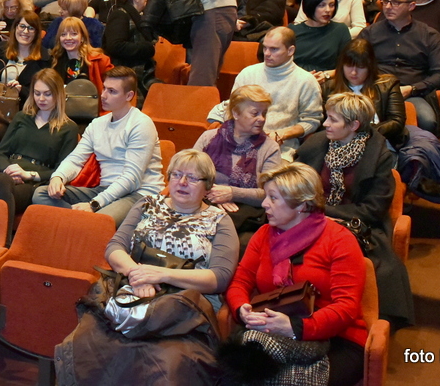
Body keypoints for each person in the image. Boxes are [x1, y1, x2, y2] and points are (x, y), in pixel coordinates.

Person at [61, 148, 238, 383]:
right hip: (133, 291)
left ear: (208, 187)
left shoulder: (219, 220)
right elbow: (114, 248)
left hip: (187, 306)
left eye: (193, 178)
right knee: (86, 342)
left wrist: (158, 275)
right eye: (176, 175)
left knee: (167, 362)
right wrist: (138, 275)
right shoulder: (147, 204)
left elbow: (219, 277)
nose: (182, 182)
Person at [225, 162, 369, 386]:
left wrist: (296, 327)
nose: (264, 204)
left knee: (262, 375)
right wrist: (241, 309)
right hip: (273, 328)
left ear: (302, 204)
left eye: (273, 198)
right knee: (249, 365)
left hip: (338, 338)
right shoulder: (264, 234)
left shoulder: (339, 240)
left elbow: (347, 307)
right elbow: (240, 281)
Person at [297, 92, 414, 328]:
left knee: (379, 269)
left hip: (356, 224)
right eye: (326, 118)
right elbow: (297, 186)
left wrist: (324, 211)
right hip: (308, 217)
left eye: (332, 119)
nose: (325, 124)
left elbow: (372, 209)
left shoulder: (378, 156)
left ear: (354, 125)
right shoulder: (316, 144)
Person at [32, 67, 164, 225]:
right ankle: (79, 224)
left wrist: (94, 204)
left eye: (112, 91)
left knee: (100, 220)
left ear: (129, 96)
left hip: (138, 193)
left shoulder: (141, 124)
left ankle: (76, 226)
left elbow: (132, 179)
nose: (103, 95)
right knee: (41, 193)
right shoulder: (97, 124)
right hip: (104, 189)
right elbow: (76, 159)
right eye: (104, 89)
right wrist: (58, 177)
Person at [0, 68, 78, 240]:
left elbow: (62, 170)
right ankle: (2, 243)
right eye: (37, 93)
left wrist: (28, 174)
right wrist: (9, 170)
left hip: (32, 184)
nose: (41, 99)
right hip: (6, 175)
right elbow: (0, 153)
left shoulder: (68, 128)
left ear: (58, 94)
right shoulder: (22, 117)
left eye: (47, 94)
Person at [209, 27, 323, 159]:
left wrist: (282, 134)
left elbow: (312, 120)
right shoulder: (248, 73)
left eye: (274, 49)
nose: (267, 53)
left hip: (280, 148)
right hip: (240, 143)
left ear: (290, 50)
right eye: (265, 48)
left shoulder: (306, 81)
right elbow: (233, 108)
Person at [359, 0, 440, 136]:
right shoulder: (370, 33)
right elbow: (354, 65)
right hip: (375, 90)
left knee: (427, 121)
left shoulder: (428, 35)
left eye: (395, 2)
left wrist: (413, 88)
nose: (388, 7)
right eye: (385, 1)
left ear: (411, 6)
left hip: (413, 92)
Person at [194, 85, 282, 243]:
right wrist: (214, 195)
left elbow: (271, 193)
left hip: (245, 212)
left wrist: (231, 193)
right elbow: (189, 174)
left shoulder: (270, 148)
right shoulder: (208, 138)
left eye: (264, 113)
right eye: (255, 113)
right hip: (204, 201)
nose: (261, 119)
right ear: (235, 113)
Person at [322, 38, 407, 149]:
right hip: (339, 145)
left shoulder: (388, 84)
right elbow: (322, 124)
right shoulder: (328, 87)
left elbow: (397, 122)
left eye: (361, 67)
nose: (353, 72)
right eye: (348, 66)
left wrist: (362, 134)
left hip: (379, 143)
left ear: (370, 67)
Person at [288, 0, 352, 76]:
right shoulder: (292, 31)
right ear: (310, 6)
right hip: (295, 79)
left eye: (331, 5)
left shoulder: (340, 30)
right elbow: (281, 63)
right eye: (321, 5)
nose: (328, 10)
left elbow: (348, 66)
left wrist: (326, 75)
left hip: (327, 80)